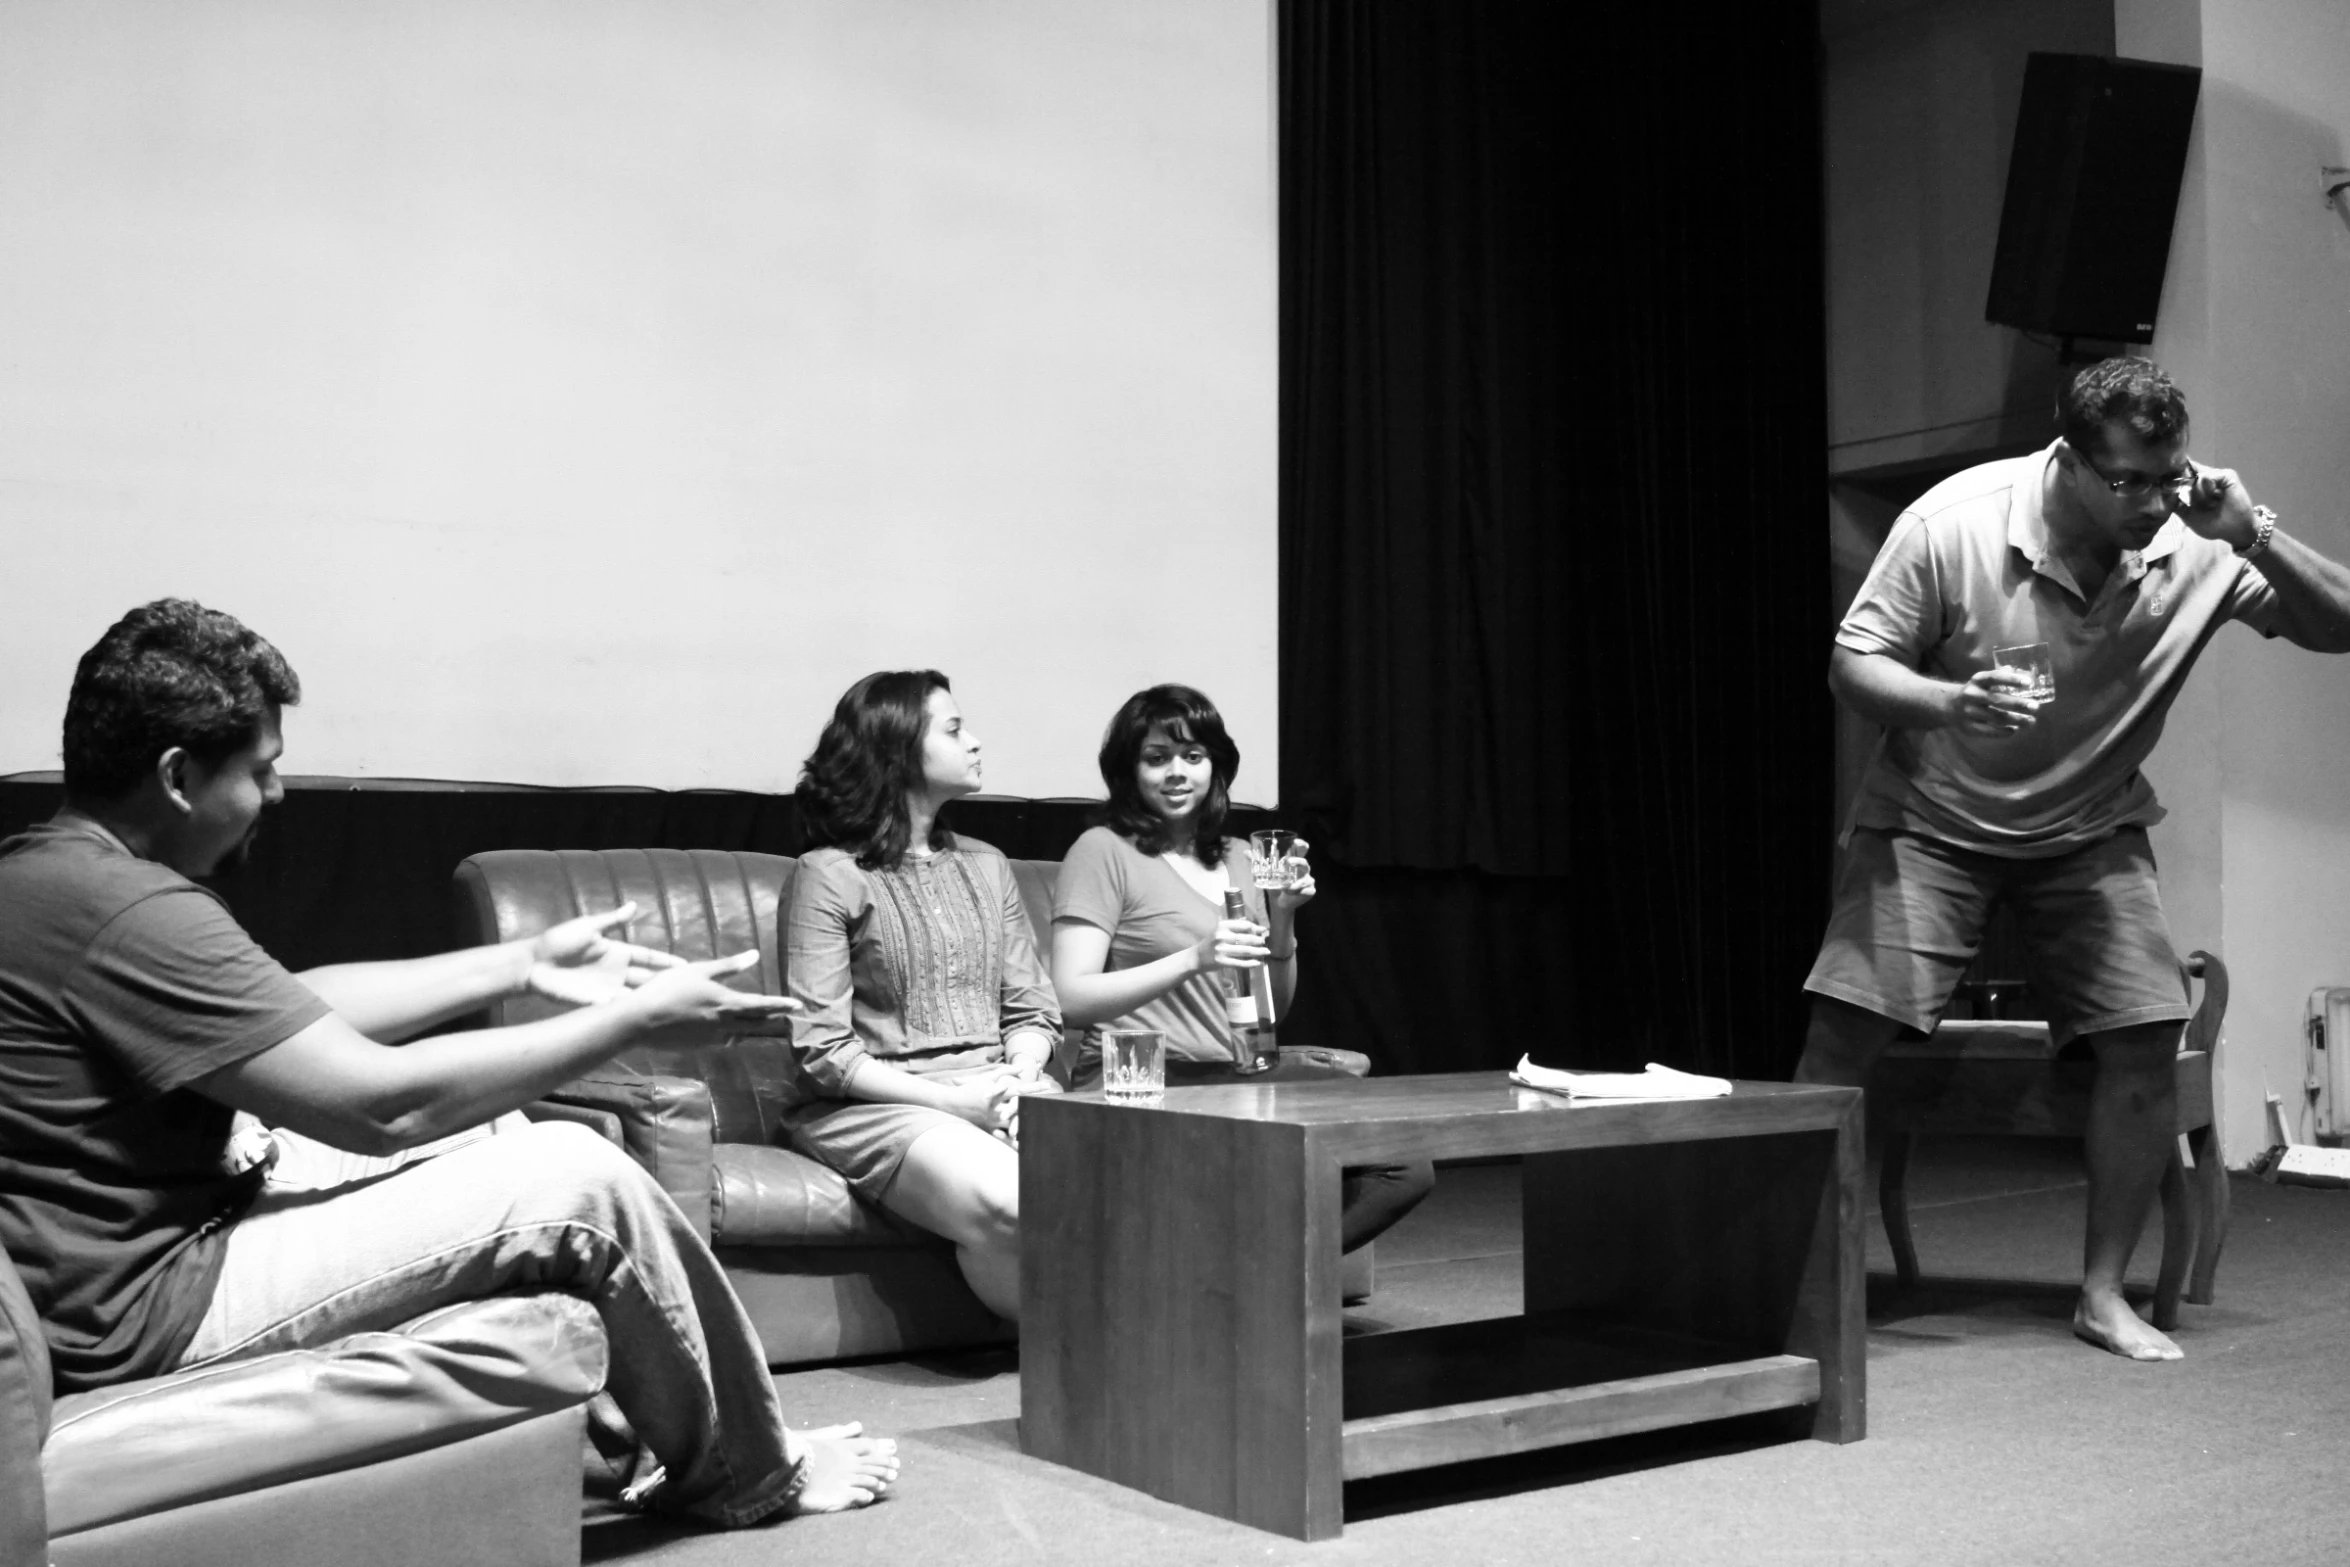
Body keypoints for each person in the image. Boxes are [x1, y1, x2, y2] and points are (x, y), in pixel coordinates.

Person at [0, 599, 898, 1526]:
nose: (275, 794)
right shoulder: (125, 909)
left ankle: (625, 1429)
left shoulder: (53, 873)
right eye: (262, 770)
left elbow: (289, 1003)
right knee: (580, 1180)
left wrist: (525, 962)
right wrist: (636, 1019)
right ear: (178, 776)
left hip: (147, 1250)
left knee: (502, 1123)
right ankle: (753, 1472)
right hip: (152, 1303)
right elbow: (379, 1107)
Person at [1796, 358, 2350, 1361]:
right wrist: (1949, 702)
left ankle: (2102, 1295)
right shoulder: (1952, 522)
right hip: (1933, 817)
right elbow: (1855, 661)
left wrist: (2252, 532)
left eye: (2168, 474)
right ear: (2068, 460)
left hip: (2088, 826)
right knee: (1842, 1039)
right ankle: (1795, 1276)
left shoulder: (2194, 534)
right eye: (2130, 481)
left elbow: (2342, 624)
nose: (2153, 500)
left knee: (2145, 1038)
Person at [1049, 684, 1434, 1254]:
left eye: (1193, 757)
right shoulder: (1103, 849)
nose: (1176, 773)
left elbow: (1271, 1009)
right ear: (1130, 772)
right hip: (1144, 1085)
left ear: (1216, 767)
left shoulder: (1241, 857)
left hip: (1237, 1076)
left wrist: (1283, 919)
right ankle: (1240, 1276)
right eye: (1156, 759)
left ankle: (1255, 1267)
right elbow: (1069, 997)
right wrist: (1194, 958)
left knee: (1404, 1165)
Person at [780, 671, 1060, 1323]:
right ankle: (1085, 1369)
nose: (976, 741)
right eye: (955, 729)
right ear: (900, 749)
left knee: (1136, 1178)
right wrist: (957, 1102)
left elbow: (1032, 1011)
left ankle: (1113, 1370)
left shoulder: (988, 864)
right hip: (885, 1103)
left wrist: (1022, 1072)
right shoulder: (830, 872)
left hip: (994, 1086)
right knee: (1017, 1198)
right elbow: (824, 1053)